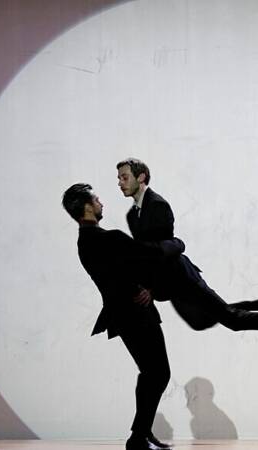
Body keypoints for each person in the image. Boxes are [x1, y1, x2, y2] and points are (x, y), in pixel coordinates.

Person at [115, 158, 258, 357]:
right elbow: (146, 256)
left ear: (141, 177)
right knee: (201, 322)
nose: (120, 183)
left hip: (182, 278)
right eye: (119, 178)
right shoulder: (132, 216)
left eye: (124, 177)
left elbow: (165, 251)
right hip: (169, 284)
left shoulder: (157, 204)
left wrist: (151, 288)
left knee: (233, 320)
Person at [62, 183, 177, 450]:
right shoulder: (108, 238)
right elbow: (148, 256)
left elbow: (121, 271)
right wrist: (175, 244)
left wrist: (143, 286)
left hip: (123, 314)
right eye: (96, 199)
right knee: (158, 372)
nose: (101, 203)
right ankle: (138, 438)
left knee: (151, 372)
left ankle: (141, 435)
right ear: (87, 207)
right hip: (134, 312)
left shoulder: (85, 242)